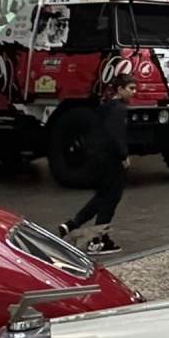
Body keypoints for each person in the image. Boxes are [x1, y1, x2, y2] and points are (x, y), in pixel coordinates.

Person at [58, 72, 133, 255]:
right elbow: (116, 135)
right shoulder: (119, 110)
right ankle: (97, 240)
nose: (134, 92)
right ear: (120, 89)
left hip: (99, 157)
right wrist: (123, 155)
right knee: (111, 199)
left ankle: (72, 225)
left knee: (102, 196)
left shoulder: (104, 107)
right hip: (112, 159)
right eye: (131, 88)